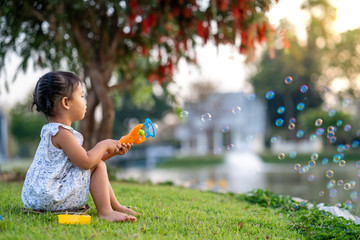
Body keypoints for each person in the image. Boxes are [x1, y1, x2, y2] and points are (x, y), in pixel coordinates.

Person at [21, 71, 138, 222]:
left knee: (98, 164)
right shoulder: (62, 133)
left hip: (38, 197)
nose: (85, 102)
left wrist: (112, 151)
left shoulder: (54, 130)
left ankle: (115, 206)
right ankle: (106, 211)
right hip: (52, 195)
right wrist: (103, 144)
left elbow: (86, 162)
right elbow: (87, 162)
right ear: (66, 102)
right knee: (100, 166)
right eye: (81, 96)